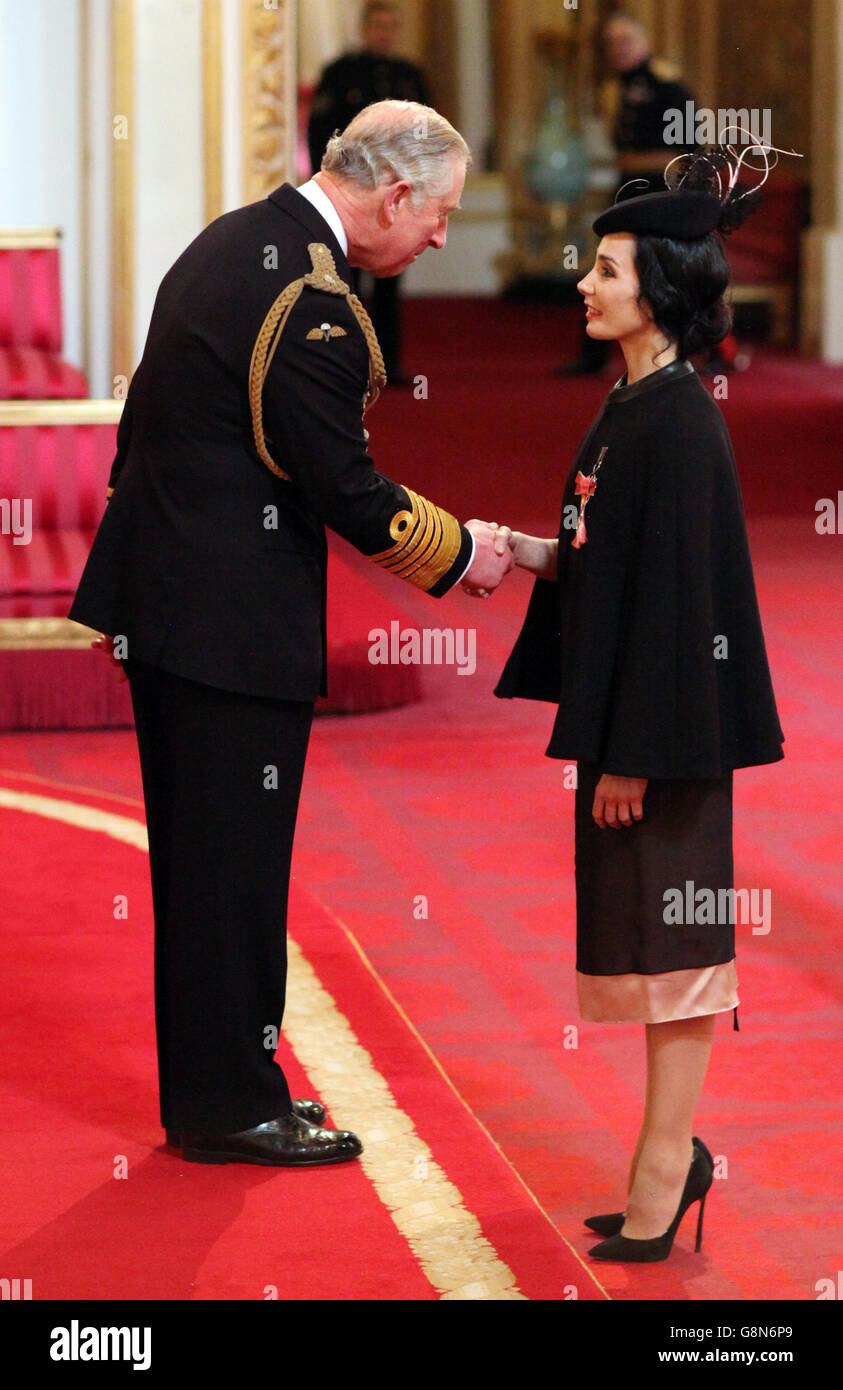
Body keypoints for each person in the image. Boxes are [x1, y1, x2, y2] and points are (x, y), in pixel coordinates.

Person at [69, 100, 512, 1168]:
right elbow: (344, 486)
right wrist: (460, 555)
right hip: (227, 622)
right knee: (232, 870)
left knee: (203, 865)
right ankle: (230, 1105)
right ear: (393, 194)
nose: (443, 236)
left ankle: (222, 1089)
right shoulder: (310, 293)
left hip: (173, 600)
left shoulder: (238, 237)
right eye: (440, 214)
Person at [483, 147, 785, 1261]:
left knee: (683, 954)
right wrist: (516, 550)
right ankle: (674, 1157)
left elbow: (677, 607)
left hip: (669, 742)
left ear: (655, 288)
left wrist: (632, 759)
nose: (583, 285)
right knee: (647, 949)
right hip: (640, 733)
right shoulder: (633, 405)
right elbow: (606, 556)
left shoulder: (682, 424)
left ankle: (665, 1171)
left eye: (603, 269)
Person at [557, 10, 698, 376]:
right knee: (603, 266)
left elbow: (691, 144)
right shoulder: (613, 87)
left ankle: (683, 353)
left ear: (644, 43)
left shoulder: (667, 83)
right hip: (626, 185)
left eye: (625, 41)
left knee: (664, 271)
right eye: (611, 44)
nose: (618, 50)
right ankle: (592, 357)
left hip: (659, 186)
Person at [307, 1, 431, 385]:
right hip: (353, 192)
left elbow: (428, 135)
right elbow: (319, 134)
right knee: (347, 282)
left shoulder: (409, 77)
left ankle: (388, 365)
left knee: (391, 279)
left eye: (391, 27)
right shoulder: (340, 75)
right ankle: (348, 366)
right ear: (364, 28)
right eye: (378, 26)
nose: (384, 33)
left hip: (397, 194)